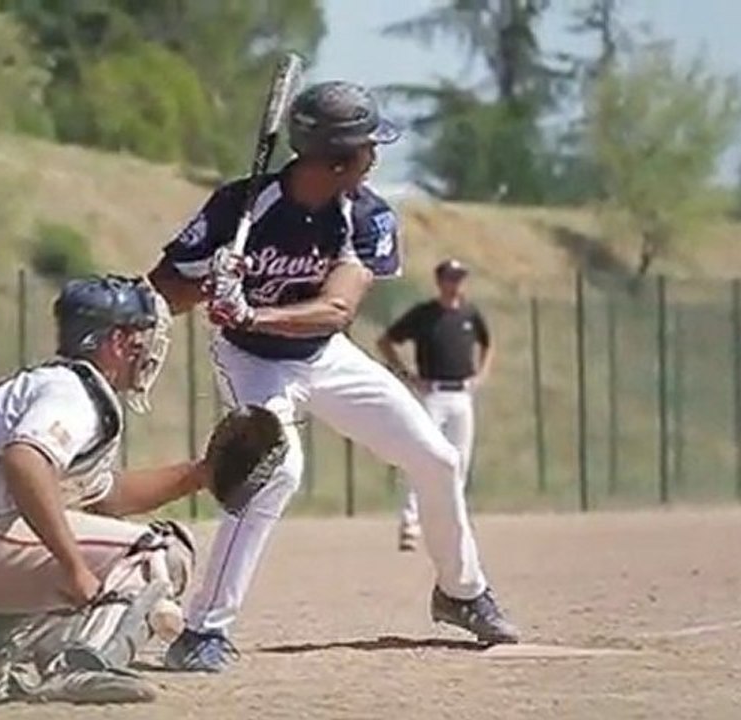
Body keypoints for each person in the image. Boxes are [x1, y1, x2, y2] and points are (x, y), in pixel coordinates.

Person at [147, 79, 519, 673]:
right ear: (339, 157)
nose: (376, 157)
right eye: (369, 147)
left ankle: (461, 591)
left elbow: (338, 309)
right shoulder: (239, 205)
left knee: (437, 458)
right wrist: (211, 283)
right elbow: (162, 291)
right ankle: (204, 630)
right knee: (276, 469)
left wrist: (250, 306)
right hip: (252, 359)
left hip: (325, 352)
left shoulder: (366, 214)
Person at [0, 275, 205, 706]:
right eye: (138, 336)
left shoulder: (52, 386)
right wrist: (73, 565)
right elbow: (24, 460)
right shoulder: (73, 392)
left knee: (68, 534)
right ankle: (81, 664)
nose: (146, 348)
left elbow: (104, 497)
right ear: (115, 341)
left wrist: (201, 474)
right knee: (156, 550)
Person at [377, 258, 492, 552]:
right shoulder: (425, 314)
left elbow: (487, 343)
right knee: (423, 454)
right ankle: (410, 522)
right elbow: (386, 341)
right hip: (434, 394)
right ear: (440, 281)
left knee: (459, 460)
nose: (456, 284)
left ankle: (456, 522)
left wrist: (480, 375)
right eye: (451, 278)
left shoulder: (469, 313)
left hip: (461, 394)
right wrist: (408, 376)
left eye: (460, 278)